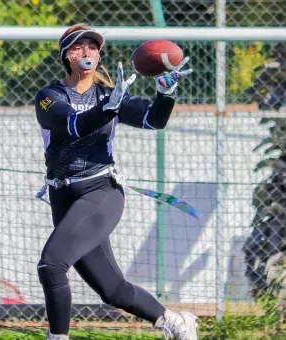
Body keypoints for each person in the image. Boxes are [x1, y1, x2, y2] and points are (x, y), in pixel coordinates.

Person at [35, 23, 197, 340]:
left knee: (51, 265)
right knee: (113, 290)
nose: (87, 52)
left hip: (101, 193)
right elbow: (72, 124)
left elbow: (154, 119)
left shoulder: (112, 94)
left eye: (93, 47)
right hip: (63, 197)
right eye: (78, 47)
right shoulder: (49, 97)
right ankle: (175, 321)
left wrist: (166, 94)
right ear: (66, 56)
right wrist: (106, 109)